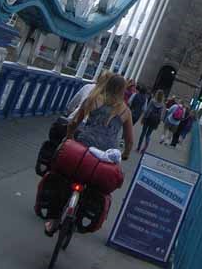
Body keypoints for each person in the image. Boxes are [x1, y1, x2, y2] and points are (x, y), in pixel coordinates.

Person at [44, 73, 135, 235]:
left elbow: (74, 122)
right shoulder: (125, 111)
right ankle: (85, 210)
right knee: (95, 187)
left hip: (83, 145)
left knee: (65, 178)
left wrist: (69, 136)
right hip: (106, 153)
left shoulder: (93, 99)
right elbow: (129, 140)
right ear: (123, 90)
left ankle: (53, 219)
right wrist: (126, 153)